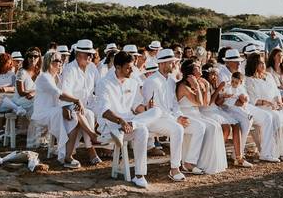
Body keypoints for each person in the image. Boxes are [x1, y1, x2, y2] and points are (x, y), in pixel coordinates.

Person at [96, 51, 163, 188]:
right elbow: (104, 111)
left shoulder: (132, 82)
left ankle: (139, 176)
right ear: (118, 67)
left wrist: (146, 109)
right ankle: (139, 174)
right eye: (128, 67)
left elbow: (136, 106)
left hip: (128, 124)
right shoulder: (104, 83)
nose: (132, 70)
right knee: (142, 129)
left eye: (132, 66)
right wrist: (121, 122)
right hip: (111, 125)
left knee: (156, 111)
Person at [137, 50, 193, 181]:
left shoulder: (171, 81)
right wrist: (175, 119)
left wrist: (179, 116)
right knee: (177, 128)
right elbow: (148, 108)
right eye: (172, 62)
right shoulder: (151, 81)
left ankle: (190, 162)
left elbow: (174, 104)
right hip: (153, 119)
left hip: (168, 119)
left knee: (190, 125)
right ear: (162, 64)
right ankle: (175, 169)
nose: (174, 65)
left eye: (174, 62)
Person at [244, 53, 283, 162]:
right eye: (260, 63)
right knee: (276, 117)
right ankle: (277, 151)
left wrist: (279, 102)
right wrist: (268, 103)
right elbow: (253, 99)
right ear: (254, 64)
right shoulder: (249, 80)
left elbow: (276, 92)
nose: (263, 65)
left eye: (263, 62)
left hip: (273, 105)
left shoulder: (268, 76)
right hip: (261, 107)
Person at [31, 50, 84, 168]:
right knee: (65, 115)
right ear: (49, 62)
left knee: (73, 119)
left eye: (62, 60)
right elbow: (59, 94)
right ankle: (65, 155)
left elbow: (63, 96)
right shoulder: (44, 77)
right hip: (42, 113)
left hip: (54, 110)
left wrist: (67, 106)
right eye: (57, 60)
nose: (61, 63)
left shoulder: (57, 78)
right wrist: (76, 100)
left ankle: (68, 156)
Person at [175, 60, 229, 174]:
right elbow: (199, 103)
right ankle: (189, 162)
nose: (200, 70)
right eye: (197, 68)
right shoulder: (183, 86)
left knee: (215, 126)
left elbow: (206, 103)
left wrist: (207, 86)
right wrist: (197, 87)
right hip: (186, 115)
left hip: (196, 114)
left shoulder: (197, 83)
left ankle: (206, 163)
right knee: (203, 127)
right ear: (190, 71)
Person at [60, 39, 104, 164]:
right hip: (71, 104)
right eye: (88, 54)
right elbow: (64, 92)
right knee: (88, 114)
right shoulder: (70, 69)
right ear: (79, 54)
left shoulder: (92, 68)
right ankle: (91, 149)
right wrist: (69, 105)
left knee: (106, 110)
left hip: (89, 102)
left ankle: (109, 146)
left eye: (91, 54)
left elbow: (99, 86)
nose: (91, 56)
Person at [201, 64, 249, 167]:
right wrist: (219, 89)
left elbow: (218, 102)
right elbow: (209, 103)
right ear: (207, 75)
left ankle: (238, 157)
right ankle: (217, 154)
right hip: (208, 111)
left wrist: (224, 97)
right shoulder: (205, 85)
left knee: (236, 125)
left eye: (216, 75)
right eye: (212, 75)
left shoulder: (216, 85)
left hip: (217, 109)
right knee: (226, 128)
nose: (215, 77)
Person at [0, 51, 27, 117]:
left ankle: (16, 110)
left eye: (11, 63)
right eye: (8, 64)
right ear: (1, 64)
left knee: (13, 99)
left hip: (8, 99)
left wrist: (7, 89)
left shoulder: (11, 74)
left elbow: (17, 87)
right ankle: (17, 108)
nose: (11, 66)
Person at [12, 47, 41, 116]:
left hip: (33, 98)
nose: (33, 58)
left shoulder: (40, 72)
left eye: (35, 56)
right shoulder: (21, 71)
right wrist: (36, 93)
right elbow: (21, 92)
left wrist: (34, 93)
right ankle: (36, 124)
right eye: (30, 56)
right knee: (38, 101)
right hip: (20, 100)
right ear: (27, 58)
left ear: (39, 58)